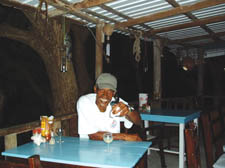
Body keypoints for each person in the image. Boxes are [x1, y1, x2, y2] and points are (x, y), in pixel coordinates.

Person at [77, 73, 142, 141]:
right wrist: (124, 137)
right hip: (90, 148)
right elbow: (93, 135)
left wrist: (129, 111)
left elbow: (138, 121)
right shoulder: (85, 102)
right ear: (95, 89)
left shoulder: (117, 102)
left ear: (114, 93)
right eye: (102, 90)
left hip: (114, 148)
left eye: (109, 91)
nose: (105, 95)